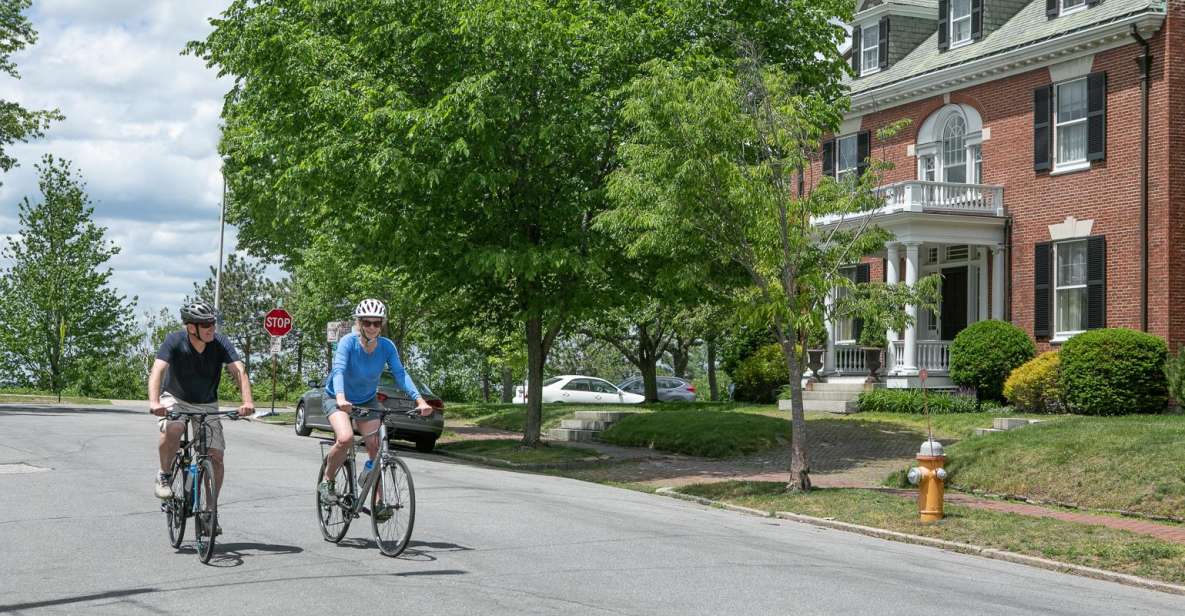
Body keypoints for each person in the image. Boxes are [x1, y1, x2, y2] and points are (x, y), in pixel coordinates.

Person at [318, 298, 432, 518]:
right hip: (336, 397)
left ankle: (379, 502)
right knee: (345, 439)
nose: (372, 327)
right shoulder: (347, 343)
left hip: (367, 400)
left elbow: (400, 374)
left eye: (377, 323)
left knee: (376, 446)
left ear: (382, 324)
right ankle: (327, 481)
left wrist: (420, 400)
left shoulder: (387, 347)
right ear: (359, 323)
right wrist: (341, 398)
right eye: (367, 322)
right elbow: (339, 370)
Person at [148, 301, 254, 525]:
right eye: (206, 324)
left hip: (207, 403)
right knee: (174, 427)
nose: (211, 328)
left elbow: (238, 370)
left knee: (216, 456)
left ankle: (209, 511)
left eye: (213, 323)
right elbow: (158, 370)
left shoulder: (219, 342)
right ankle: (164, 475)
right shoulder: (175, 340)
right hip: (175, 398)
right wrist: (155, 401)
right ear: (191, 327)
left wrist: (247, 401)